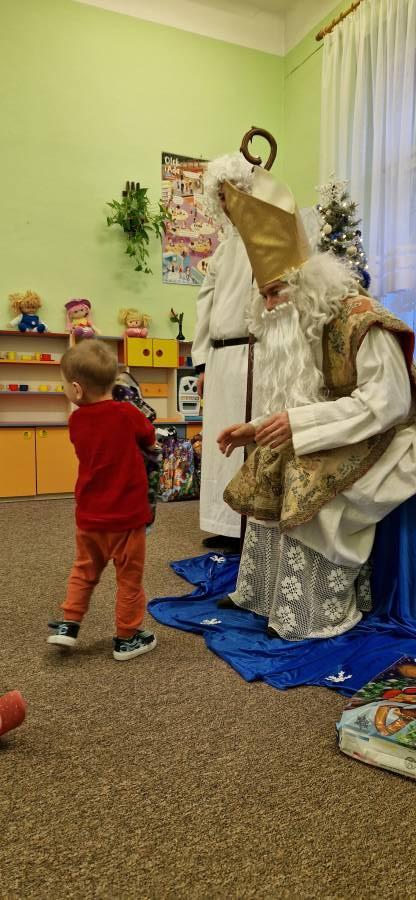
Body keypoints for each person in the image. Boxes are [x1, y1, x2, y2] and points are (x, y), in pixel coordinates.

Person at [217, 165, 416, 640]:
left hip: (394, 435)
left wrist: (301, 426)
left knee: (308, 477)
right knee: (270, 456)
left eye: (274, 293)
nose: (269, 307)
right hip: (346, 428)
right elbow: (306, 399)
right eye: (263, 295)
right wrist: (258, 428)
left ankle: (311, 610)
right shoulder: (308, 322)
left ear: (303, 283)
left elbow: (388, 402)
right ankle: (262, 593)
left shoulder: (360, 320)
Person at [47, 339, 157, 660]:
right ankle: (126, 638)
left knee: (83, 571)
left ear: (77, 390)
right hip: (128, 519)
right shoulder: (127, 413)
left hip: (90, 517)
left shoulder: (76, 421)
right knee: (129, 579)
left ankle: (69, 624)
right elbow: (148, 436)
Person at [192, 151, 257, 551]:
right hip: (219, 357)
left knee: (242, 440)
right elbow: (206, 304)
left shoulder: (263, 241)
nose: (224, 203)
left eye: (229, 194)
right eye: (219, 197)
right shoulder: (222, 249)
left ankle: (248, 523)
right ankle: (225, 522)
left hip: (249, 356)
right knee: (219, 445)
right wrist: (201, 361)